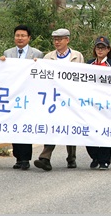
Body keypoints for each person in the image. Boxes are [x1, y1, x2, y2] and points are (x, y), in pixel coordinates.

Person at [34, 28, 84, 171]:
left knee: (70, 127)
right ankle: (45, 157)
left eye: (60, 39)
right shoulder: (48, 57)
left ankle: (71, 157)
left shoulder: (77, 56)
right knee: (53, 126)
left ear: (67, 40)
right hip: (53, 97)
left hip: (71, 97)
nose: (57, 42)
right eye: (55, 39)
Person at [0, 24, 43, 170]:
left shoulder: (37, 54)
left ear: (29, 38)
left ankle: (25, 159)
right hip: (13, 96)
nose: (20, 38)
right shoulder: (7, 53)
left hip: (29, 96)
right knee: (14, 127)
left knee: (25, 127)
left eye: (23, 35)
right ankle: (18, 157)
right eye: (17, 35)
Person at [86, 36, 111, 169]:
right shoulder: (89, 63)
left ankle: (104, 159)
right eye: (98, 47)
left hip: (106, 103)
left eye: (103, 47)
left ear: (108, 49)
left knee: (105, 131)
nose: (100, 50)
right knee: (88, 131)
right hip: (90, 103)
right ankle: (95, 156)